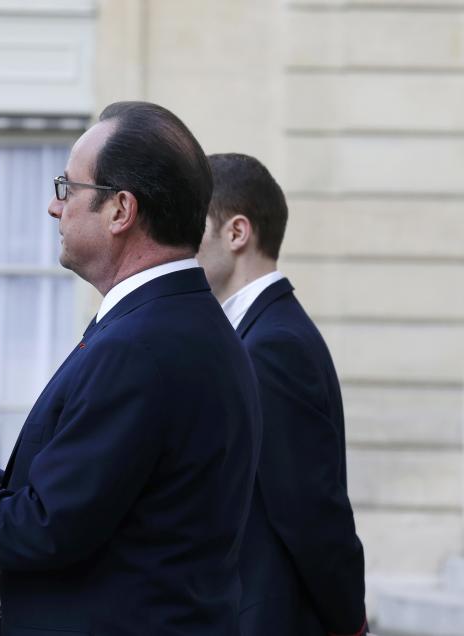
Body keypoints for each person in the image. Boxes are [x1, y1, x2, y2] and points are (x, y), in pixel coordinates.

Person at [0, 102, 263, 636]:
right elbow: (105, 504)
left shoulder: (140, 344)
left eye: (68, 189)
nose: (53, 207)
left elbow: (46, 530)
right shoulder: (177, 322)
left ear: (121, 210)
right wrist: (3, 497)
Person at [196, 153, 368, 636]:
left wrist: (350, 622)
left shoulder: (271, 345)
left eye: (194, 227)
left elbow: (312, 511)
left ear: (236, 233)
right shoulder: (257, 334)